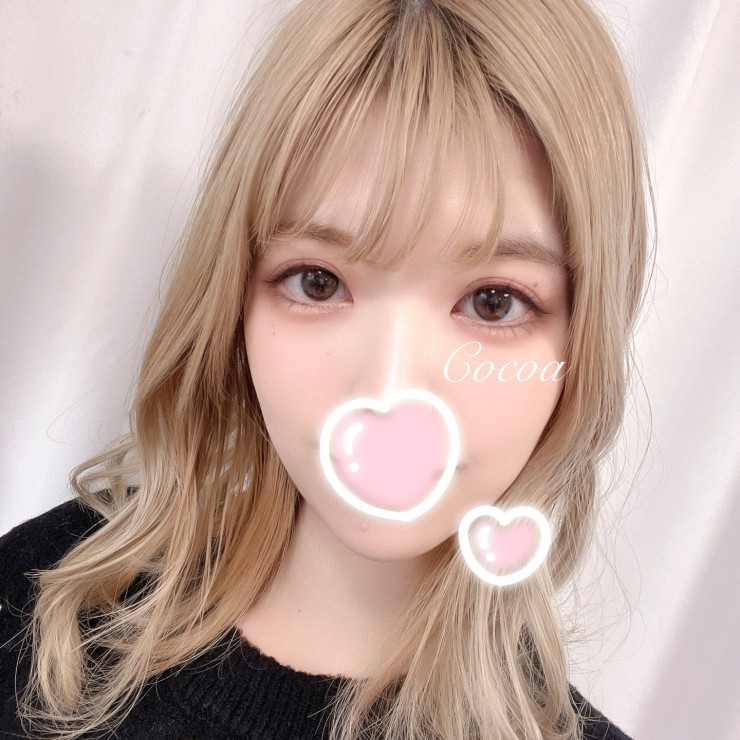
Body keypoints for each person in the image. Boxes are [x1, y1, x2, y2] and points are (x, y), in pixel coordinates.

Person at [0, 0, 650, 737]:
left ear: (583, 342)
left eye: (493, 302)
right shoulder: (48, 593)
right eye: (317, 283)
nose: (389, 390)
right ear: (234, 301)